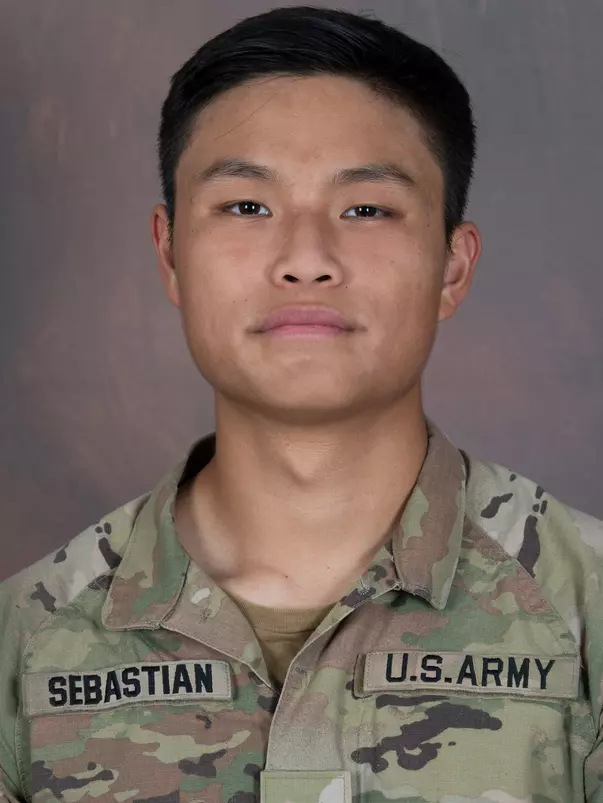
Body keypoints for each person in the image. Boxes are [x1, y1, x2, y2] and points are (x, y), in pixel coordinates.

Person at [1, 5, 602, 802]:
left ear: (452, 268)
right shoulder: (27, 643)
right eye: (247, 206)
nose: (306, 259)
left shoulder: (583, 609)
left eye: (366, 208)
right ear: (170, 253)